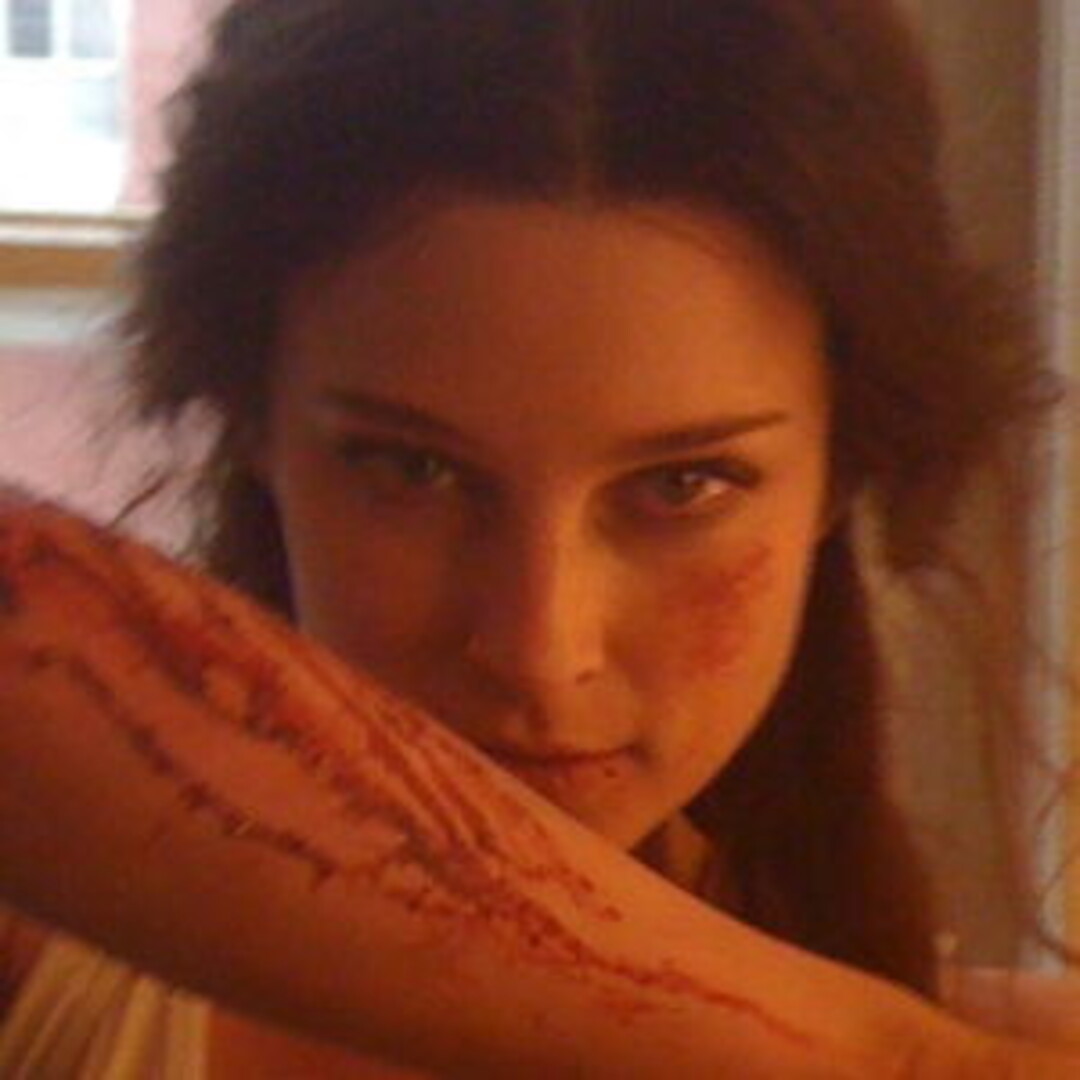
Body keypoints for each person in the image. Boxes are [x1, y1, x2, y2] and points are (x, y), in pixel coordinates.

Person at [0, 0, 1077, 1075]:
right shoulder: (50, 977)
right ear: (254, 425)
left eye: (684, 485)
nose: (539, 649)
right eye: (412, 471)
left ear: (840, 471)